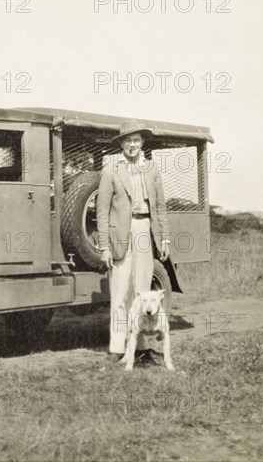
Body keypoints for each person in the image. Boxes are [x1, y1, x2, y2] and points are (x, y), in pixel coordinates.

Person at [96, 120, 170, 361]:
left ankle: (138, 348)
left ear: (143, 143)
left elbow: (160, 207)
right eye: (127, 141)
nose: (132, 145)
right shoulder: (111, 170)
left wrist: (164, 239)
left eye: (136, 140)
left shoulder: (152, 169)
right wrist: (104, 246)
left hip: (144, 229)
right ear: (121, 144)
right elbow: (101, 210)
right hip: (119, 234)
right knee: (119, 293)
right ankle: (117, 349)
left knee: (141, 293)